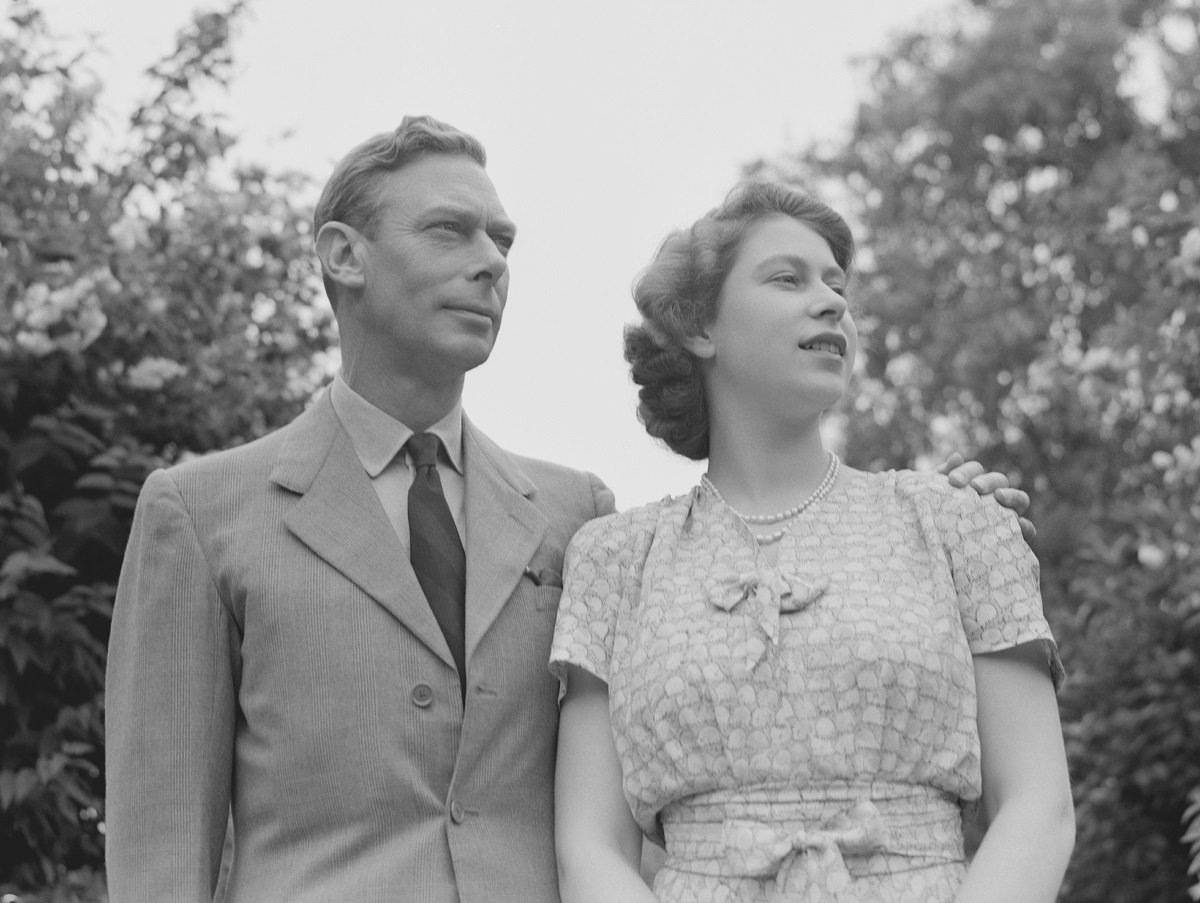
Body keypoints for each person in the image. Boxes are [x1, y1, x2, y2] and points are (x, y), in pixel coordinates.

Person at [104, 116, 1032, 903]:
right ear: (343, 256)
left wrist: (941, 519)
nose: (490, 265)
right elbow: (159, 848)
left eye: (501, 243)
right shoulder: (201, 512)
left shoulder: (575, 516)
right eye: (449, 232)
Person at [551, 182, 1074, 902]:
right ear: (701, 327)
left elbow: (1038, 807)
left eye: (838, 286)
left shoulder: (959, 523)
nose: (832, 302)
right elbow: (589, 844)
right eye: (788, 279)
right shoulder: (614, 560)